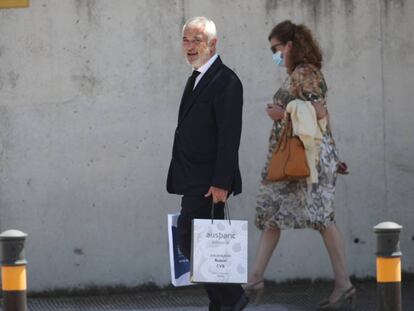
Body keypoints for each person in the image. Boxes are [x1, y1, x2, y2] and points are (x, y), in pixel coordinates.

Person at [244, 20, 356, 310]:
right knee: (276, 212)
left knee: (321, 218)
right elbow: (317, 115)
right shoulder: (300, 73)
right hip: (298, 157)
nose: (274, 55)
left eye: (276, 49)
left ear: (290, 46)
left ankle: (343, 285)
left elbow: (319, 114)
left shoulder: (305, 73)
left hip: (308, 158)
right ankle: (255, 278)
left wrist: (282, 115)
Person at [166, 16, 248, 311]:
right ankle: (222, 303)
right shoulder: (198, 77)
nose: (189, 47)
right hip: (193, 177)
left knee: (194, 240)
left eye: (196, 40)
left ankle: (232, 298)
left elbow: (229, 137)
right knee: (197, 242)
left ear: (212, 44)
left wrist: (221, 182)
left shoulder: (225, 81)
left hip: (209, 181)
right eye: (186, 40)